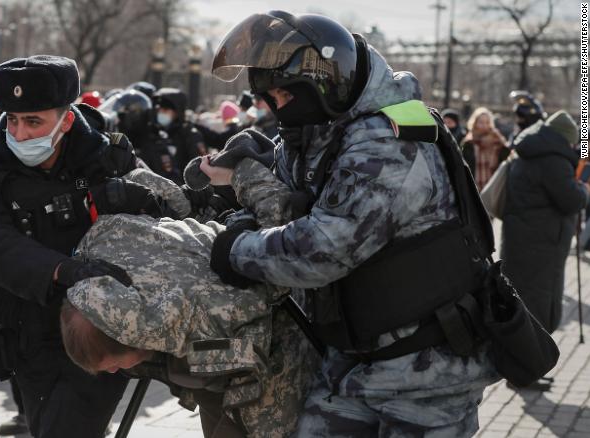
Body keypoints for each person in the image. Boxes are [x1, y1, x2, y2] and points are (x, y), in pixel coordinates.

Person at [209, 11, 499, 437]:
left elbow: (322, 250)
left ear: (326, 81)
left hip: (426, 381)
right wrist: (249, 182)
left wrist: (234, 252)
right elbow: (293, 201)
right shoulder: (325, 131)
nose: (277, 109)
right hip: (351, 365)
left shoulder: (390, 141)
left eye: (283, 97)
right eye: (269, 100)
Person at [0, 55, 165, 437]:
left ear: (67, 119)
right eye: (13, 119)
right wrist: (61, 270)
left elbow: (160, 213)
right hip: (28, 330)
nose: (18, 133)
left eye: (34, 121)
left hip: (97, 327)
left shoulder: (108, 156)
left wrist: (134, 199)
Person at [61, 150, 319, 437]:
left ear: (128, 337)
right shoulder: (99, 252)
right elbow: (148, 185)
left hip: (274, 349)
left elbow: (277, 267)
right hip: (218, 342)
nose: (114, 373)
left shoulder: (209, 314)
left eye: (115, 365)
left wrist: (243, 172)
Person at [502, 111, 587, 334]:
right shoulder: (553, 160)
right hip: (543, 241)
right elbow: (571, 200)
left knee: (521, 292)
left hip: (523, 235)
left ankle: (520, 349)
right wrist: (583, 191)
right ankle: (532, 355)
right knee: (539, 298)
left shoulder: (530, 150)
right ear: (565, 138)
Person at [153, 87, 207, 177]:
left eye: (165, 110)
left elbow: (200, 170)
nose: (161, 113)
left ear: (177, 112)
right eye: (159, 110)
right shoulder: (155, 133)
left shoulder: (190, 135)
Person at [460, 107, 509, 191]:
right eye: (481, 122)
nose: (484, 125)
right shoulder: (468, 143)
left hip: (493, 186)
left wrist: (501, 141)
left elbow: (506, 159)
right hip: (473, 188)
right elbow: (464, 168)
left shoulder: (496, 140)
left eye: (487, 122)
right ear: (474, 123)